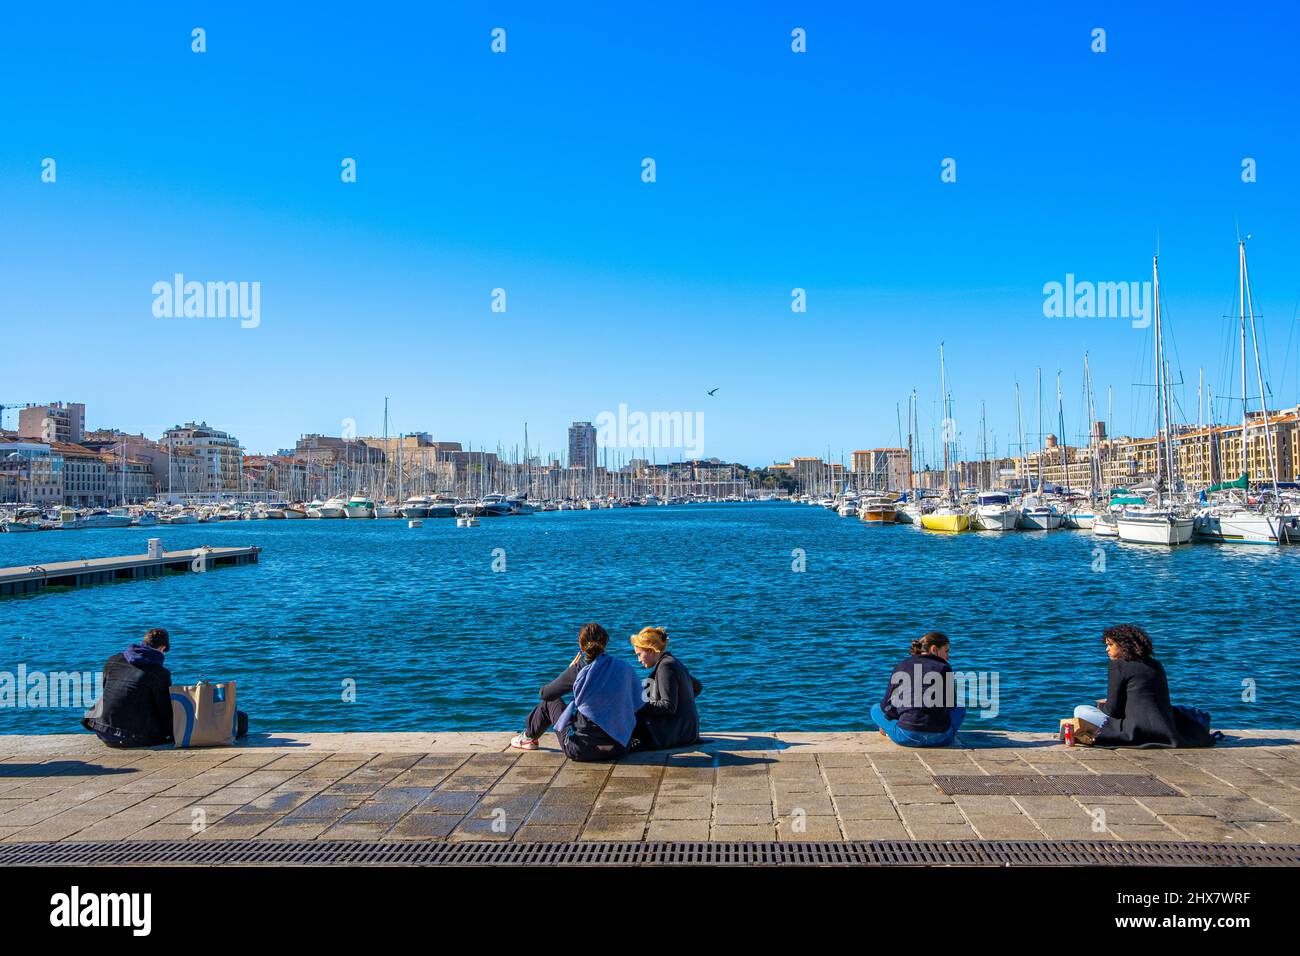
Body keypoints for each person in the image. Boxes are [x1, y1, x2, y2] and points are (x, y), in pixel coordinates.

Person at [510, 623, 643, 762]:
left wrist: (569, 670)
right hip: (620, 748)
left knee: (551, 702)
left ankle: (528, 737)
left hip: (582, 750)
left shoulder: (579, 669)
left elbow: (545, 694)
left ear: (581, 646)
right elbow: (637, 701)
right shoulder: (623, 667)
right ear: (605, 643)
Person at [1072, 624, 1216, 748]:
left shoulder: (1117, 665)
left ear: (1123, 645)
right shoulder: (1156, 664)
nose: (1106, 649)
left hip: (1134, 730)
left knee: (1080, 710)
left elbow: (1113, 710)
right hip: (1164, 728)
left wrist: (1101, 705)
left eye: (1110, 645)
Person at [81, 628, 175, 748]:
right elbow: (165, 711)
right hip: (130, 737)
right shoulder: (160, 673)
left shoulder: (113, 660)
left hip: (101, 729)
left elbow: (106, 691)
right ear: (162, 648)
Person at [869, 631, 965, 747]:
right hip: (940, 738)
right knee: (960, 707)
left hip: (907, 736)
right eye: (946, 651)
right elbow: (951, 705)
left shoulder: (902, 666)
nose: (948, 656)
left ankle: (889, 729)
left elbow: (885, 705)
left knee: (875, 709)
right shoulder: (944, 667)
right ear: (934, 649)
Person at [626, 627, 703, 752]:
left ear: (650, 650)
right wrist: (683, 701)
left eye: (639, 654)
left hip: (678, 735)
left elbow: (668, 707)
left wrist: (638, 706)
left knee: (634, 711)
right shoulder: (673, 661)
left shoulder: (665, 667)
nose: (638, 660)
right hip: (688, 732)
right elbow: (697, 687)